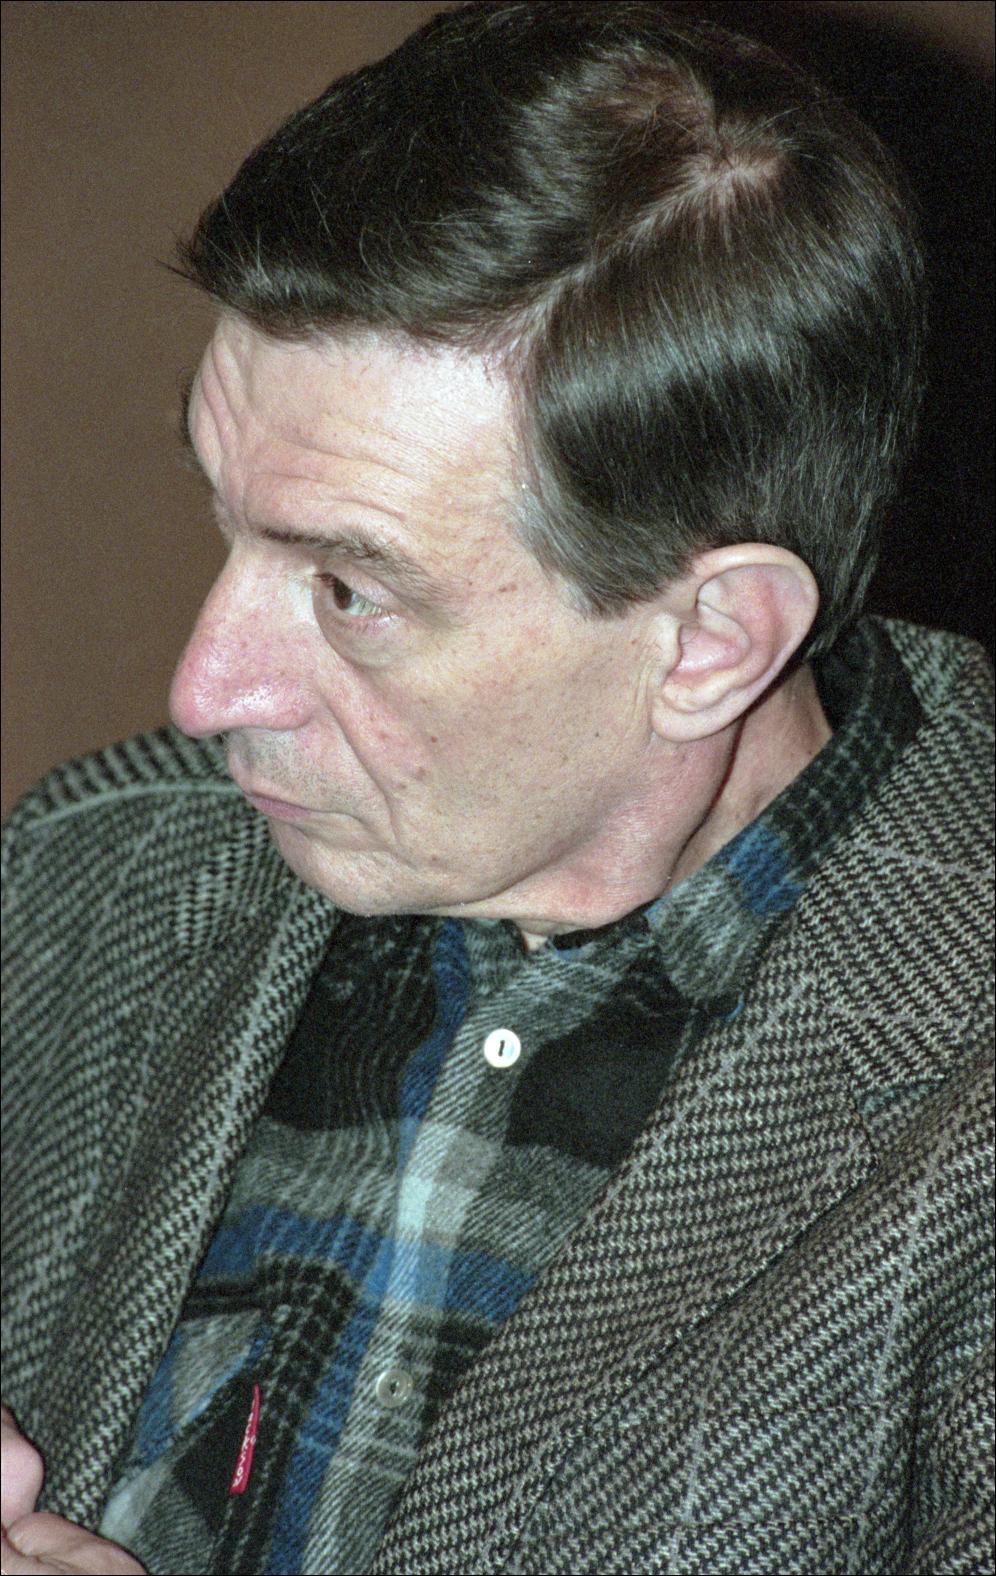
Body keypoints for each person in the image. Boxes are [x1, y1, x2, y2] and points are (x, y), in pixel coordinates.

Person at [2, 3, 992, 1573]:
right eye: (225, 520)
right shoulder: (81, 874)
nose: (204, 691)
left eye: (350, 591)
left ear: (712, 640)